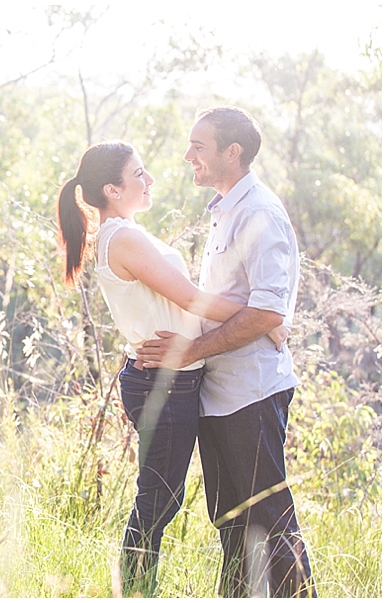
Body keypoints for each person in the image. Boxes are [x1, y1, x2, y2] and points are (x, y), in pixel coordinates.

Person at [56, 141, 285, 597]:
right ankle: (137, 590)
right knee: (158, 497)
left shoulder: (122, 233)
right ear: (112, 190)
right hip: (163, 381)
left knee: (163, 496)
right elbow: (188, 297)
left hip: (171, 379)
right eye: (139, 174)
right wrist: (263, 319)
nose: (150, 180)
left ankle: (142, 587)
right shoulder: (122, 237)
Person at [135, 106, 316, 597]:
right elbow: (232, 305)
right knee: (233, 527)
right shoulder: (225, 209)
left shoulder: (260, 213)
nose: (187, 155)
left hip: (252, 393)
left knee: (270, 523)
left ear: (231, 152)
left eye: (199, 146)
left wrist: (189, 349)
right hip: (219, 393)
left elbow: (267, 314)